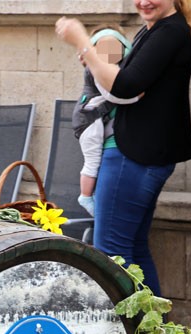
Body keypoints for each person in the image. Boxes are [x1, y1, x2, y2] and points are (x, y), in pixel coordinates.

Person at [56, 0, 191, 297]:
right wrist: (95, 61)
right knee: (133, 248)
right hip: (140, 152)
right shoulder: (156, 30)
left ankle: (130, 327)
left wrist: (83, 42)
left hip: (133, 154)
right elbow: (124, 81)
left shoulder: (169, 32)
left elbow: (125, 86)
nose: (144, 1)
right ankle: (153, 327)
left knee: (112, 252)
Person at [71, 27, 139, 217]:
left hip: (95, 120)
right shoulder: (99, 70)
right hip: (89, 120)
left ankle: (92, 194)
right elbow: (114, 95)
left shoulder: (112, 67)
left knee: (96, 161)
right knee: (92, 160)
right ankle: (85, 196)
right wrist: (136, 96)